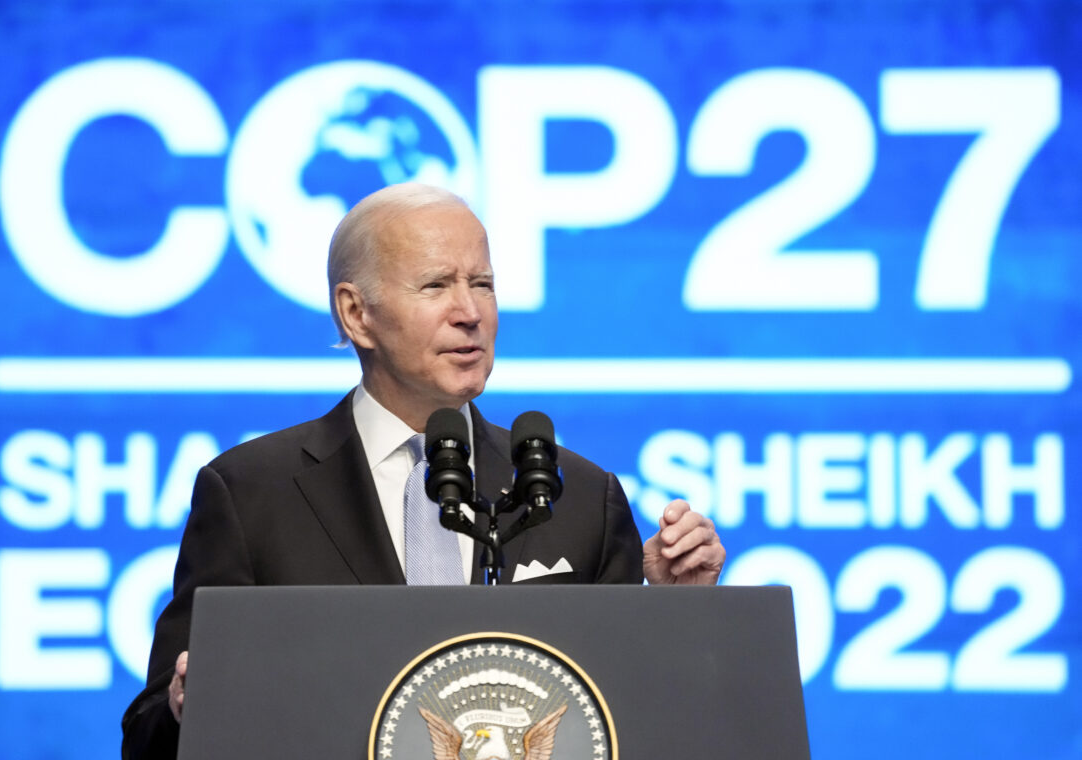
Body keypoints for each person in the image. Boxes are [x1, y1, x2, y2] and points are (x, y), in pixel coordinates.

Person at [120, 183, 725, 759]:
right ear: (357, 315)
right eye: (436, 285)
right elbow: (146, 740)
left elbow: (627, 728)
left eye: (482, 284)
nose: (470, 312)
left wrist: (678, 619)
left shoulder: (579, 494)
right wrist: (186, 706)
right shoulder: (251, 495)